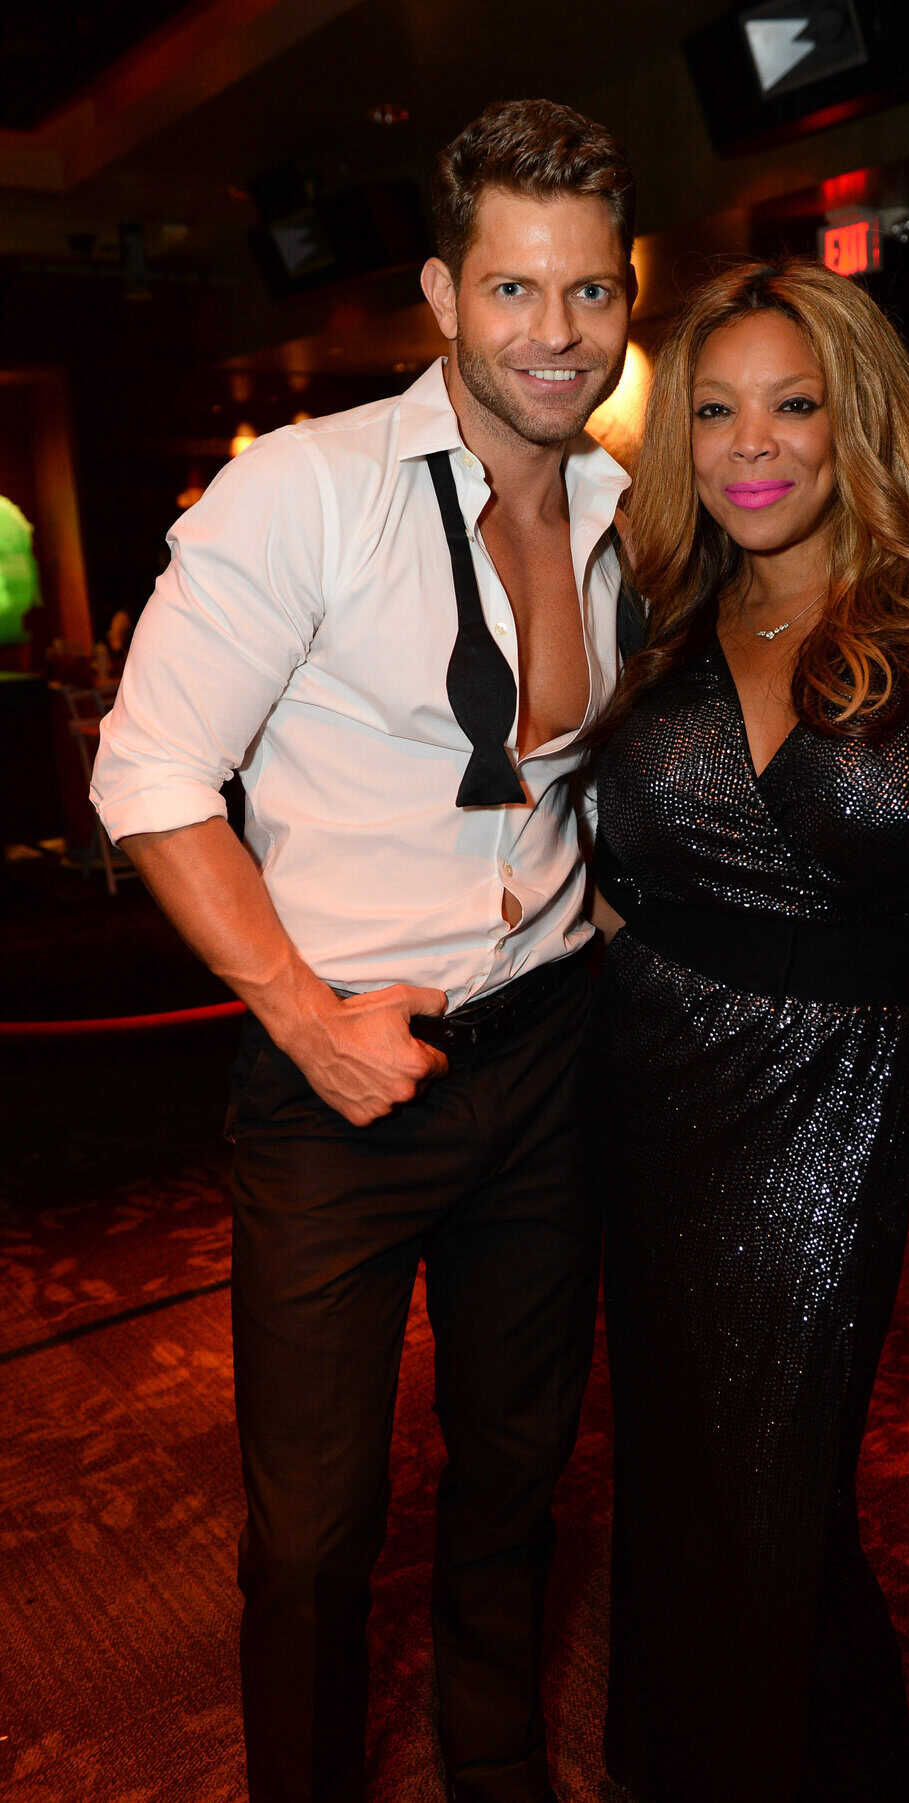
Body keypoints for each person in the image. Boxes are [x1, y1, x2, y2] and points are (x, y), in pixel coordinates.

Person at [90, 98, 636, 1803]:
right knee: (315, 1533)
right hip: (335, 1069)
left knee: (518, 1475)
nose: (555, 334)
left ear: (627, 296)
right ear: (443, 294)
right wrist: (305, 1020)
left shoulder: (628, 506)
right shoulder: (304, 491)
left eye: (591, 290)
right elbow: (148, 775)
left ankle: (497, 1765)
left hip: (548, 1058)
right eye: (514, 289)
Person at [588, 261, 909, 1803]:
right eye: (714, 410)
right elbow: (596, 865)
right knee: (679, 1495)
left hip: (834, 1113)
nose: (752, 445)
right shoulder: (663, 608)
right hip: (644, 1108)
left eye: (792, 405)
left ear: (854, 416)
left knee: (775, 1505)